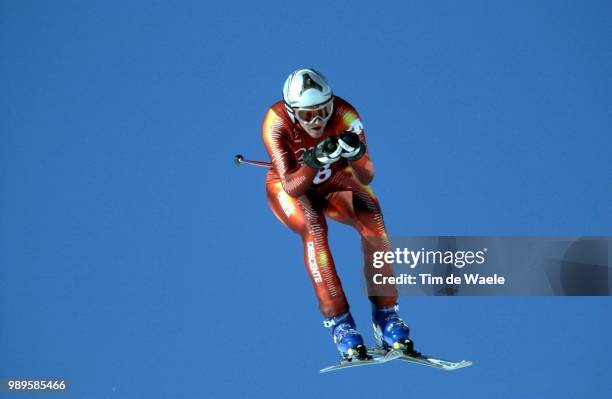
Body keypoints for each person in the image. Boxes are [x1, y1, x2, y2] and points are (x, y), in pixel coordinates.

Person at [262, 68, 418, 361]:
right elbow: (293, 187)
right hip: (292, 185)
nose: (318, 121)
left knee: (372, 217)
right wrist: (312, 161)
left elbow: (367, 175)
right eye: (308, 116)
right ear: (294, 113)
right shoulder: (275, 122)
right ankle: (340, 323)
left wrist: (357, 154)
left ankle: (386, 315)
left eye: (323, 111)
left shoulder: (346, 115)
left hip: (333, 178)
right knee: (314, 228)